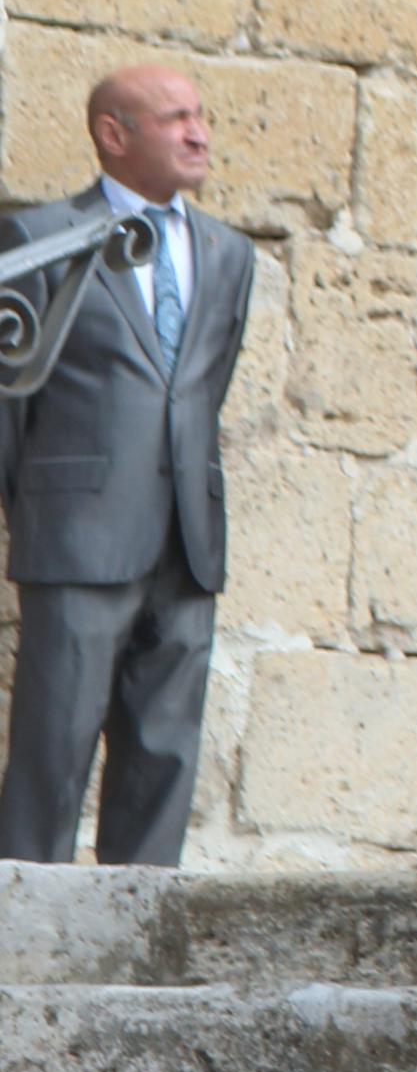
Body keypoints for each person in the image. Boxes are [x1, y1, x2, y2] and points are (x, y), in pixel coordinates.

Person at [0, 69, 255, 866]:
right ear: (114, 134)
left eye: (200, 116)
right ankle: (23, 941)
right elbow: (11, 402)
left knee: (164, 755)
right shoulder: (41, 236)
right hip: (77, 538)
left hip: (188, 541)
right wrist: (42, 513)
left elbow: (202, 391)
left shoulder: (228, 252)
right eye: (175, 118)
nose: (198, 132)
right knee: (52, 753)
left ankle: (141, 945)